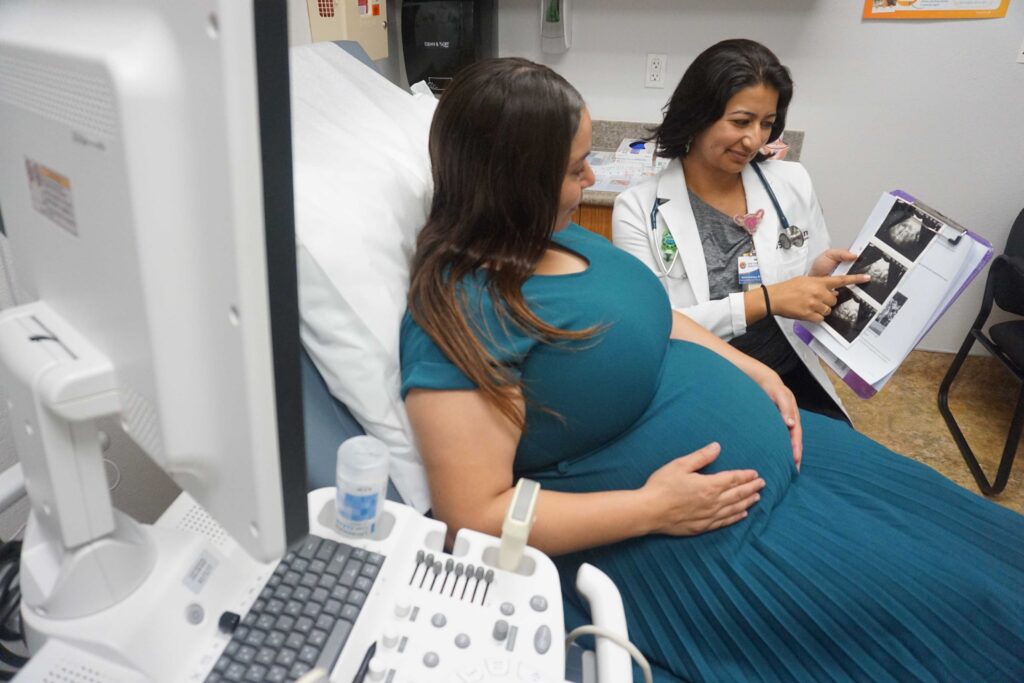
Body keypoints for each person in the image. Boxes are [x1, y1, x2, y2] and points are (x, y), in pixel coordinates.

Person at [399, 57, 1024, 682]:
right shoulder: (464, 309)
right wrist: (652, 508)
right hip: (693, 539)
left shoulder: (559, 237)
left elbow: (659, 317)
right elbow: (475, 514)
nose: (592, 177)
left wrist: (754, 374)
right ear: (512, 180)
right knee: (958, 619)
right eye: (572, 169)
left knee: (985, 553)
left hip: (792, 463)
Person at [613, 40, 864, 424]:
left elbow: (800, 299)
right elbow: (656, 326)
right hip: (700, 381)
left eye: (766, 123)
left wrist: (816, 278)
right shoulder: (637, 208)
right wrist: (767, 300)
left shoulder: (792, 182)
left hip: (790, 373)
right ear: (698, 115)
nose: (755, 140)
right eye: (741, 121)